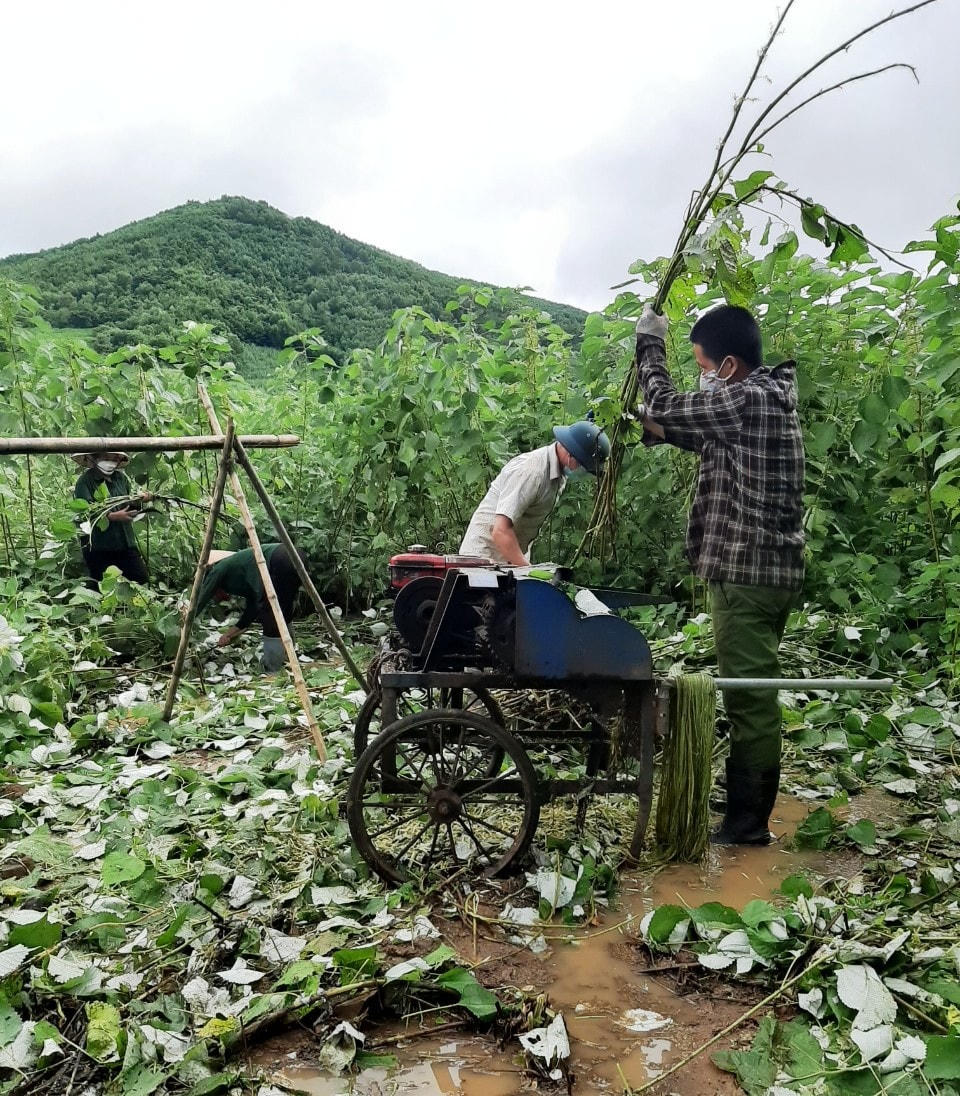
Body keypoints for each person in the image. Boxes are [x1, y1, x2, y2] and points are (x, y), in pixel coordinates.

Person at [634, 303, 805, 846]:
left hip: (745, 576)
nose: (702, 376)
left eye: (703, 366)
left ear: (728, 367)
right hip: (769, 574)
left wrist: (649, 344)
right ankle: (743, 814)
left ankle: (746, 829)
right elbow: (712, 437)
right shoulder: (766, 399)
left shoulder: (747, 397)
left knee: (750, 700)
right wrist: (662, 432)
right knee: (752, 694)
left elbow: (663, 399)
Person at [459, 420, 611, 566]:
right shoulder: (532, 472)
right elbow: (500, 531)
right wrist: (528, 571)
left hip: (508, 559)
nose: (584, 473)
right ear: (572, 456)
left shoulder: (558, 473)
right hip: (482, 559)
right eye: (585, 468)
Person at [193, 544, 303, 671]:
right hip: (296, 554)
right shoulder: (243, 570)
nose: (216, 599)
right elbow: (252, 609)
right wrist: (228, 635)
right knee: (284, 609)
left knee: (270, 615)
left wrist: (186, 622)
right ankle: (289, 657)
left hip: (280, 558)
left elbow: (200, 599)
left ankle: (273, 668)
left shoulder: (218, 569)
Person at [72, 452, 151, 584]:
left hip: (125, 542)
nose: (110, 462)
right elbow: (85, 512)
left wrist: (139, 500)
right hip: (99, 546)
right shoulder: (84, 481)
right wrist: (112, 516)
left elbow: (127, 502)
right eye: (106, 457)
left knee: (140, 580)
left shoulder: (121, 479)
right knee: (103, 586)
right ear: (94, 458)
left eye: (115, 459)